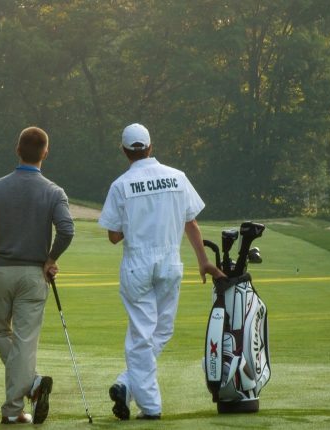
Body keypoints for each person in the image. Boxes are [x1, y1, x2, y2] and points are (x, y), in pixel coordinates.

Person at [98, 123, 224, 420]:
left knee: (143, 335)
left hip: (138, 265)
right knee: (161, 331)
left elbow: (114, 236)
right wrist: (203, 260)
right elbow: (190, 221)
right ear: (151, 147)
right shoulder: (177, 177)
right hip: (170, 263)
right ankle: (140, 396)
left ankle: (136, 393)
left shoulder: (121, 185)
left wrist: (138, 225)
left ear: (125, 151)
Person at [0, 126, 75, 424]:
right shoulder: (54, 191)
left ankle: (18, 405)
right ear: (45, 153)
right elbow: (67, 230)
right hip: (33, 275)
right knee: (25, 342)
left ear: (17, 150)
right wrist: (51, 259)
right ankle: (30, 387)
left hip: (0, 272)